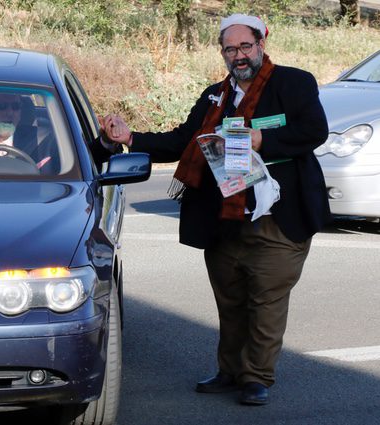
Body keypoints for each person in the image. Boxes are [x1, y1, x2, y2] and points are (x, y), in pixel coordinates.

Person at [99, 14, 331, 406]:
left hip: (279, 217)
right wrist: (130, 138)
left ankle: (257, 377)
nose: (238, 55)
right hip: (223, 216)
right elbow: (181, 140)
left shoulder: (294, 83)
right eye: (230, 48)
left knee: (266, 299)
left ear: (261, 44)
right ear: (221, 52)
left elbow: (314, 131)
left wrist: (262, 139)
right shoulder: (215, 95)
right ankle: (229, 370)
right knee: (231, 299)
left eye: (245, 46)